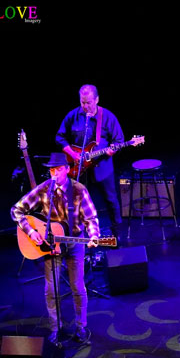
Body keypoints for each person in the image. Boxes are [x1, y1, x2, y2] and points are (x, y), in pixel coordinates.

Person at [11, 153, 100, 343]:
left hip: (75, 242)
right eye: (52, 170)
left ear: (67, 169)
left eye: (58, 169)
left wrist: (93, 236)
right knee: (51, 289)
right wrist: (31, 231)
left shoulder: (78, 190)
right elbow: (16, 210)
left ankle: (81, 328)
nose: (55, 174)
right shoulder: (45, 189)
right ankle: (55, 328)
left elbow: (91, 218)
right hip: (50, 245)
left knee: (78, 287)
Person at [56, 84, 124, 242]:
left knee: (111, 200)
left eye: (88, 103)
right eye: (82, 102)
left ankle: (117, 234)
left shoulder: (107, 117)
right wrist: (73, 154)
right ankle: (82, 237)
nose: (85, 106)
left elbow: (119, 141)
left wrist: (112, 150)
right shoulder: (73, 116)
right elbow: (60, 137)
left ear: (97, 100)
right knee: (79, 203)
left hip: (103, 167)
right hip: (79, 168)